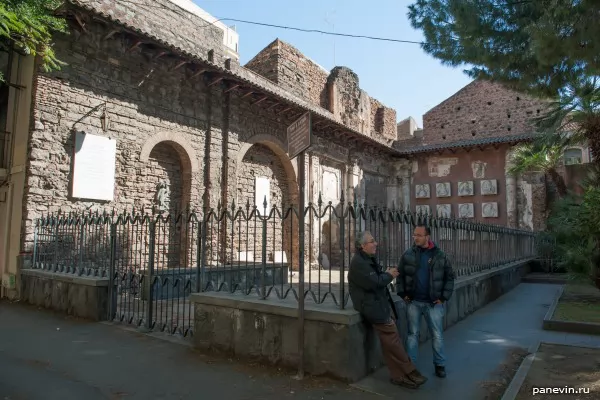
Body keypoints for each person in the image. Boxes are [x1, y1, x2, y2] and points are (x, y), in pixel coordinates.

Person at [348, 231, 427, 389]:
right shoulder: (359, 262)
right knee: (393, 341)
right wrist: (389, 275)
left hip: (378, 305)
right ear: (363, 246)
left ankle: (398, 376)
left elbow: (376, 279)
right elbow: (375, 282)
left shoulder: (367, 259)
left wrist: (386, 274)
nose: (375, 243)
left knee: (389, 343)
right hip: (372, 307)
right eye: (372, 241)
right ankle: (409, 371)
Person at [397, 224, 455, 378]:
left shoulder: (440, 255)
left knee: (437, 335)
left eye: (419, 235)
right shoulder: (408, 254)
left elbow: (449, 277)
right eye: (414, 234)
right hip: (413, 302)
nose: (415, 237)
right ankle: (411, 367)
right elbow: (400, 275)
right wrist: (402, 293)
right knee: (412, 335)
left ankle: (440, 365)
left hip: (433, 303)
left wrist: (443, 297)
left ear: (427, 237)